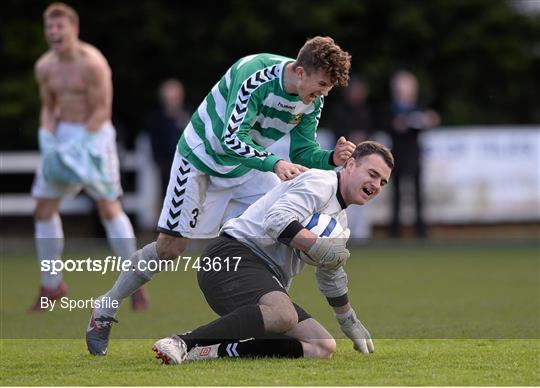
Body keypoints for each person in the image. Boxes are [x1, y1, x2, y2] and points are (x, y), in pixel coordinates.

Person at [86, 36, 357, 355]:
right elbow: (231, 138)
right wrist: (275, 163)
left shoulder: (313, 98)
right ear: (300, 71)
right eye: (322, 84)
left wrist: (330, 159)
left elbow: (303, 149)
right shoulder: (254, 74)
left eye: (327, 89)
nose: (323, 93)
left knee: (284, 226)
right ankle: (104, 309)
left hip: (249, 168)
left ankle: (270, 314)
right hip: (200, 161)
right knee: (170, 248)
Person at [151, 141, 394, 364]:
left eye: (382, 182)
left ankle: (211, 351)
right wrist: (318, 246)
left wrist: (348, 320)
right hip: (232, 256)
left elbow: (330, 273)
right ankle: (182, 341)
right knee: (282, 314)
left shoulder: (341, 224)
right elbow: (276, 221)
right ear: (350, 165)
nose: (375, 185)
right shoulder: (321, 183)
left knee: (321, 346)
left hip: (265, 277)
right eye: (372, 174)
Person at [30, 3, 148, 312]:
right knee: (43, 208)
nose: (53, 33)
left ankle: (135, 281)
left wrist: (80, 143)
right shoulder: (44, 66)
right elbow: (48, 105)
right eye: (49, 27)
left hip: (94, 138)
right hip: (62, 138)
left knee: (108, 207)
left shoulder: (93, 63)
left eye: (59, 27)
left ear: (74, 29)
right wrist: (47, 134)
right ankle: (52, 285)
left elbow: (101, 110)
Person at [384, 70, 440, 238]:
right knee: (396, 194)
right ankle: (394, 229)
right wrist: (396, 124)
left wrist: (430, 119)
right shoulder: (391, 108)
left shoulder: (418, 107)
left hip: (414, 155)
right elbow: (385, 124)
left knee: (417, 194)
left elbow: (430, 120)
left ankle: (420, 229)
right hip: (396, 156)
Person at [328, 75, 374, 241]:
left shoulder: (367, 111)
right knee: (342, 194)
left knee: (363, 194)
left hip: (363, 161)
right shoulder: (340, 111)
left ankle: (361, 230)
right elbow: (337, 133)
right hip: (345, 160)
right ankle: (340, 230)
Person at [144, 79, 191, 197]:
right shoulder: (156, 121)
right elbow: (155, 147)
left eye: (174, 98)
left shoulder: (190, 116)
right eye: (168, 99)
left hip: (190, 168)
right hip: (167, 170)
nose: (171, 102)